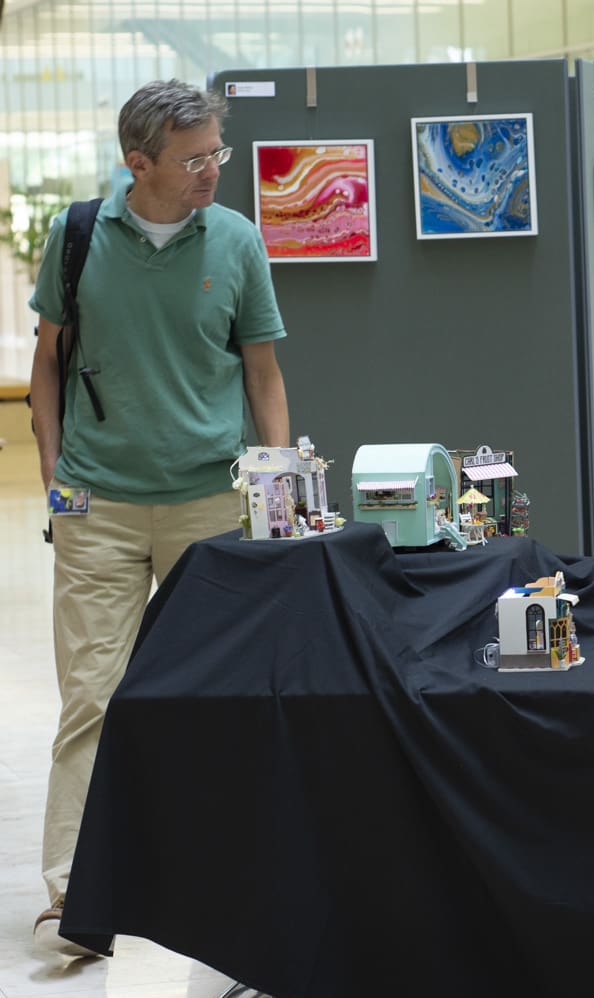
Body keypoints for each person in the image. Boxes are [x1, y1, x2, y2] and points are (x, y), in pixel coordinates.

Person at [28, 79, 289, 957]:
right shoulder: (76, 238)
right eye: (193, 159)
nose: (213, 169)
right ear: (137, 164)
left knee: (210, 697)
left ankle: (211, 880)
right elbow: (48, 370)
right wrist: (56, 481)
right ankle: (73, 896)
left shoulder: (239, 240)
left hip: (210, 505)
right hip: (97, 507)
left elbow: (263, 373)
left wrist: (273, 480)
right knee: (92, 699)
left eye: (217, 151)